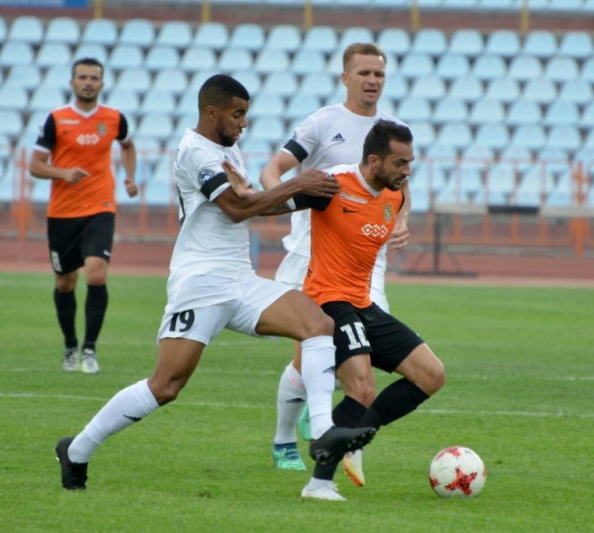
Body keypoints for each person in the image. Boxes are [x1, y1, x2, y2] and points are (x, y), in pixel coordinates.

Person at [54, 74, 377, 493]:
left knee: (317, 324)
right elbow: (236, 209)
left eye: (245, 114)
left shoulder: (228, 148)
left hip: (239, 279)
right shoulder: (196, 152)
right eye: (237, 114)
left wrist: (308, 199)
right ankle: (77, 450)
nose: (244, 123)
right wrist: (298, 182)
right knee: (165, 386)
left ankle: (322, 433)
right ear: (212, 113)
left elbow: (250, 203)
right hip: (201, 283)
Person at [226, 120, 445, 501]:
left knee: (431, 374)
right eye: (400, 163)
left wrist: (403, 223)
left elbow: (399, 202)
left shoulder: (395, 194)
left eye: (410, 162)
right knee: (361, 386)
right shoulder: (332, 185)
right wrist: (245, 192)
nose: (407, 171)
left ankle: (355, 438)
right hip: (328, 302)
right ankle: (319, 484)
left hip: (363, 303)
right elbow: (271, 204)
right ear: (374, 161)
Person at [260, 43, 411, 474]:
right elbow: (273, 170)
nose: (372, 80)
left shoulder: (392, 129)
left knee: (362, 348)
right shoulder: (323, 123)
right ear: (346, 78)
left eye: (378, 74)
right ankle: (285, 439)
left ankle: (343, 432)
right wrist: (279, 201)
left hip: (365, 259)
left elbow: (401, 187)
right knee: (307, 354)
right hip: (310, 252)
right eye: (364, 72)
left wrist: (401, 222)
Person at [29, 57, 138, 374]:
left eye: (94, 77)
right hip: (62, 213)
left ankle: (89, 349)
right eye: (83, 77)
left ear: (102, 83)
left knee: (97, 275)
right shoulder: (56, 119)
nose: (88, 82)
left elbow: (128, 146)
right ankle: (70, 346)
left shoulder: (114, 118)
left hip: (100, 207)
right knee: (65, 283)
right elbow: (35, 165)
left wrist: (130, 177)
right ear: (72, 82)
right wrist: (63, 173)